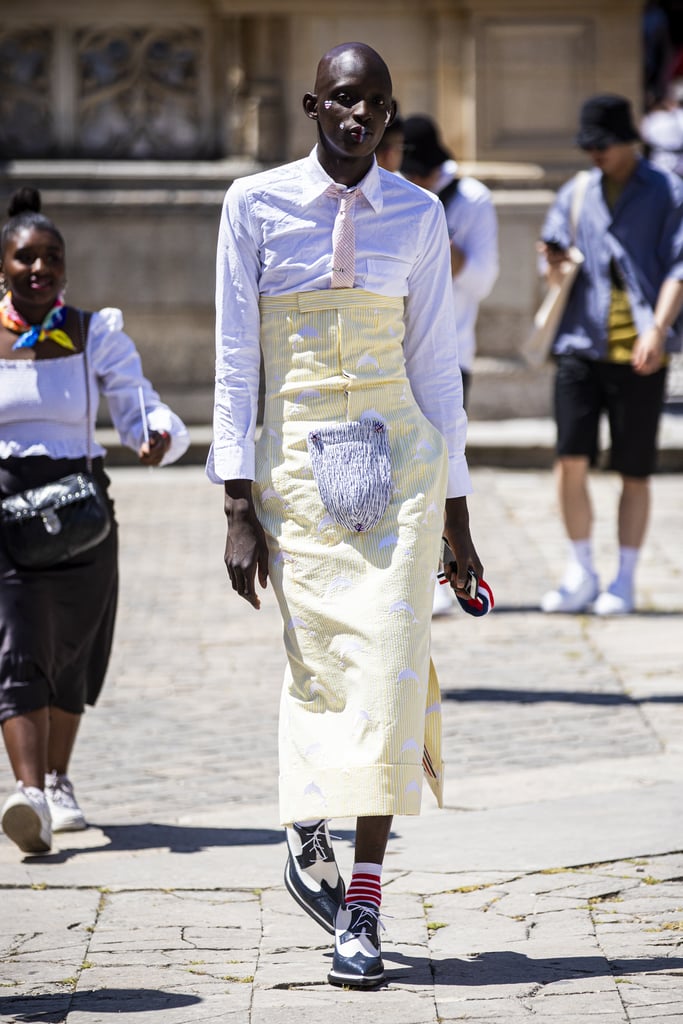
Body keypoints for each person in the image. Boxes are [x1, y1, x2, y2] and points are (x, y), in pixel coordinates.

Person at [207, 42, 483, 988]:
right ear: (310, 106)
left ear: (388, 112)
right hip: (295, 466)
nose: (355, 117)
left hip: (400, 460)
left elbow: (434, 369)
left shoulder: (419, 213)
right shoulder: (253, 204)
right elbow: (236, 358)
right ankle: (305, 830)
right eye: (339, 101)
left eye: (371, 104)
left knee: (391, 671)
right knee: (319, 662)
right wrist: (236, 501)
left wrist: (458, 520)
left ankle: (361, 902)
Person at [0, 186, 190, 855]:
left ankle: (57, 779)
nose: (38, 268)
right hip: (7, 513)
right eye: (25, 257)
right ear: (4, 266)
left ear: (65, 270)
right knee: (18, 647)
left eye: (51, 257)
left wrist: (157, 434)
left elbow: (141, 404)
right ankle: (28, 798)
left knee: (74, 650)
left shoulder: (91, 332)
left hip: (80, 509)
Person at [538, 94, 683, 615]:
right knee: (568, 458)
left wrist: (659, 330)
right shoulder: (577, 191)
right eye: (588, 145)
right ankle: (581, 568)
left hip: (642, 350)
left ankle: (623, 577)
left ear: (629, 141)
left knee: (634, 468)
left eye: (602, 144)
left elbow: (678, 267)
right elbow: (553, 268)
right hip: (580, 342)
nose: (594, 154)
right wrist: (553, 261)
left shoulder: (667, 190)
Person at [401, 114, 499, 616]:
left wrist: (438, 235)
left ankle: (445, 573)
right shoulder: (396, 196)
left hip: (451, 350)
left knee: (440, 464)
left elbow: (483, 280)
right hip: (395, 350)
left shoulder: (474, 199)